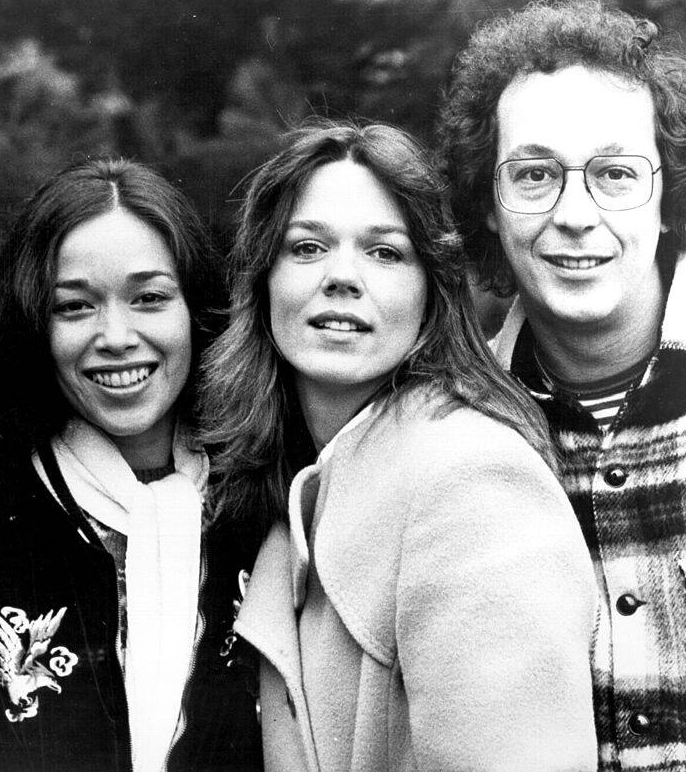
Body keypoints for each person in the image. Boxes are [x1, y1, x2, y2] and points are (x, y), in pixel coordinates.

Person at [0, 158, 262, 771]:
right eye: (76, 307)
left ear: (196, 309)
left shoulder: (262, 514)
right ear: (35, 324)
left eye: (149, 298)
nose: (116, 336)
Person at [200, 120, 598, 771]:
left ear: (432, 293)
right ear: (263, 280)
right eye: (306, 248)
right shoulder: (296, 500)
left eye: (384, 252)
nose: (341, 277)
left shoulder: (476, 486)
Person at [436, 0, 686, 771]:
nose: (575, 213)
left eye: (613, 174)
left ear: (669, 199)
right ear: (487, 205)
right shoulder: (449, 442)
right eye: (534, 174)